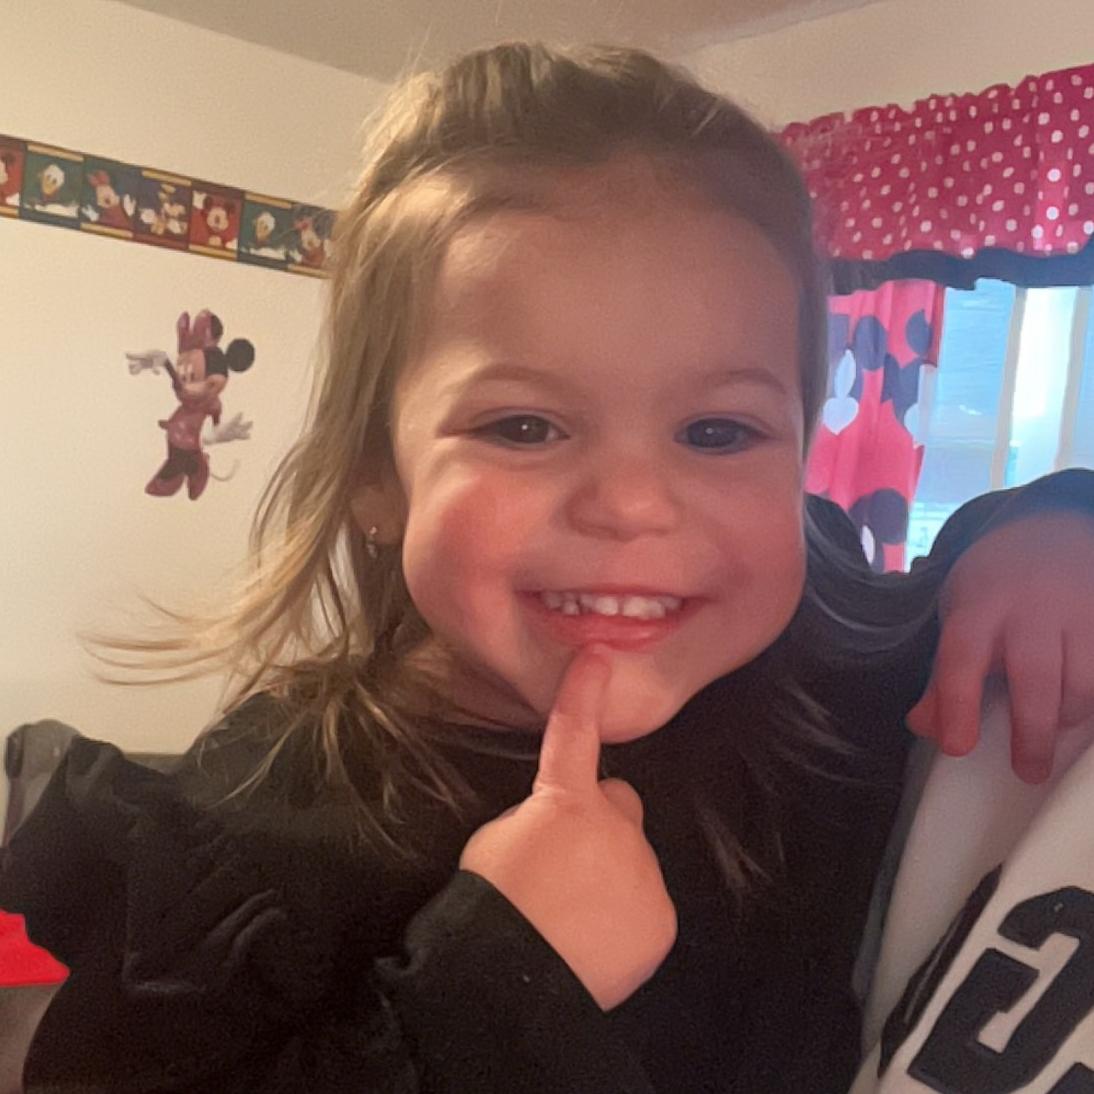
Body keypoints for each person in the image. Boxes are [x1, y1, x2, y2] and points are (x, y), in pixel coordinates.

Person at [3, 43, 1094, 1094]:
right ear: (375, 477)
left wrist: (1042, 529)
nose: (632, 504)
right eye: (523, 426)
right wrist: (501, 979)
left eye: (718, 432)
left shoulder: (820, 665)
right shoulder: (256, 823)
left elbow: (922, 605)